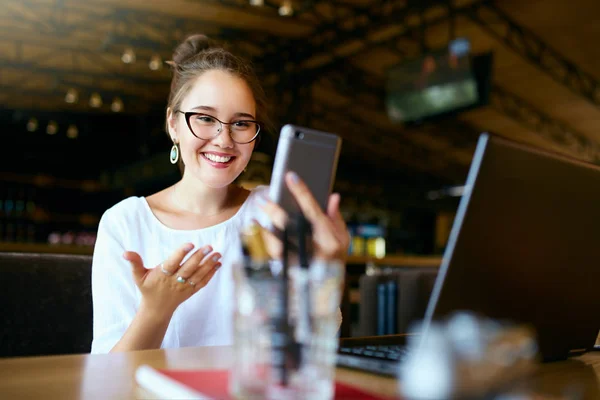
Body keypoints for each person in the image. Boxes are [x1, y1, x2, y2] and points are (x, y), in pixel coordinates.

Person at [90, 34, 349, 353]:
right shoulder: (124, 223)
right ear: (173, 124)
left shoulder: (273, 212)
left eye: (241, 123)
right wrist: (157, 311)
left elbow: (307, 352)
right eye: (205, 118)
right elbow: (106, 378)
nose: (224, 139)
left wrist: (325, 269)